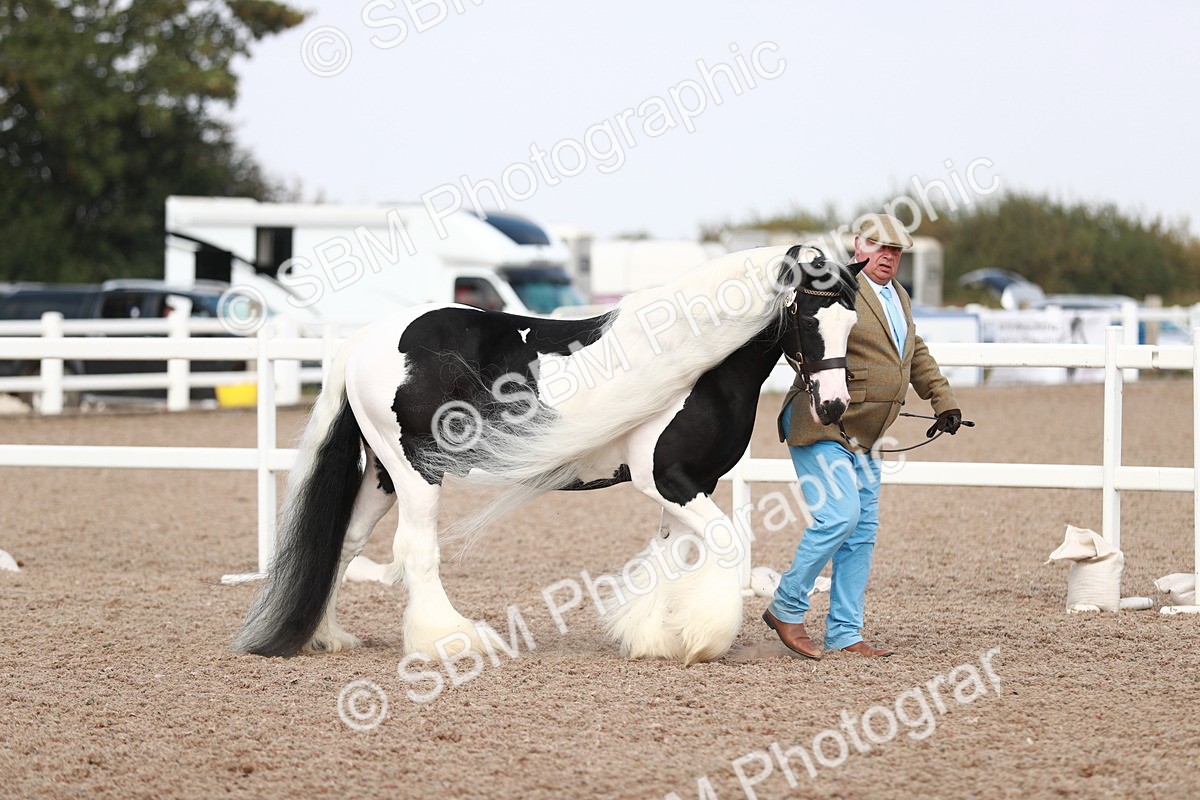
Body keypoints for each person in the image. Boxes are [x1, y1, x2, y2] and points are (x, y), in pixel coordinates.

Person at [763, 213, 963, 659]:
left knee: (861, 533)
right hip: (823, 425)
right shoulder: (836, 287)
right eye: (879, 246)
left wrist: (942, 400)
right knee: (840, 516)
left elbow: (915, 352)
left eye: (895, 250)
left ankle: (845, 633)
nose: (887, 256)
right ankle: (786, 607)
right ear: (859, 246)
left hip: (869, 436)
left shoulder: (899, 296)